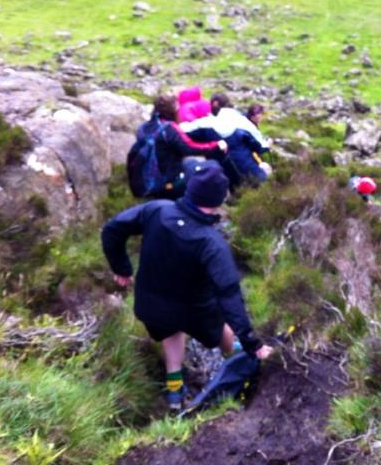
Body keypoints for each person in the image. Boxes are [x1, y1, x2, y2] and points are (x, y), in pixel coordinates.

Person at [102, 162, 274, 410]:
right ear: (218, 200)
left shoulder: (157, 209)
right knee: (219, 320)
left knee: (169, 326)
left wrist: (121, 268)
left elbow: (112, 229)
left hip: (149, 307)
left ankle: (174, 389)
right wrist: (254, 344)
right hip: (195, 313)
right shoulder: (211, 243)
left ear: (189, 189)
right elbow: (229, 296)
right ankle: (236, 352)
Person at [128, 95, 227, 199]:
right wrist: (216, 145)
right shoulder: (169, 129)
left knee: (188, 164)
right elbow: (189, 148)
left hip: (147, 181)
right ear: (174, 111)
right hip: (167, 183)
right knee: (201, 168)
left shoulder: (144, 127)